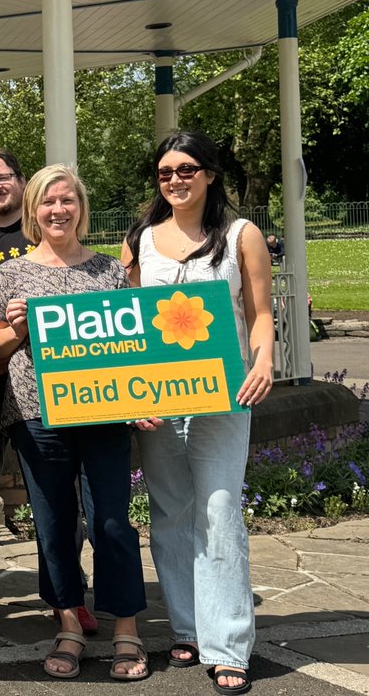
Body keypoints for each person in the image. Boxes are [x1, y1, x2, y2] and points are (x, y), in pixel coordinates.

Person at [122, 131, 274, 696]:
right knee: (169, 511)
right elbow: (128, 323)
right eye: (165, 172)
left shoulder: (240, 235)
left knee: (220, 510)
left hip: (225, 395)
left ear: (210, 174)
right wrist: (131, 395)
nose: (175, 180)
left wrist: (264, 362)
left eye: (187, 169)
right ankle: (187, 628)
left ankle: (228, 644)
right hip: (159, 399)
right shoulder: (139, 240)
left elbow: (260, 312)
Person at [0, 165, 148, 682]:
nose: (58, 210)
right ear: (33, 210)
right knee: (54, 523)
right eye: (48, 202)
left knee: (111, 521)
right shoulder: (12, 273)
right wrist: (15, 330)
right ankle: (69, 624)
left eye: (67, 200)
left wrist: (142, 396)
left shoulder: (109, 271)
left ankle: (126, 627)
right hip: (35, 414)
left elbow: (132, 346)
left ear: (81, 207)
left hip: (103, 411)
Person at [0, 149, 98, 633]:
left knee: (56, 492)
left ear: (21, 182)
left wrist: (4, 348)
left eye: (3, 177)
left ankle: (67, 593)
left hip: (42, 388)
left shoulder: (45, 227)